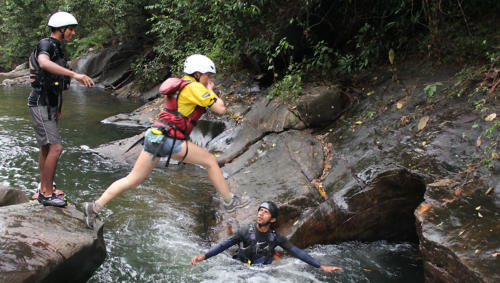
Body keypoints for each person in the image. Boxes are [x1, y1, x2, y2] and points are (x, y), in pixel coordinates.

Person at [82, 54, 249, 228]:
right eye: (208, 75)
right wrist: (211, 90)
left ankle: (94, 207)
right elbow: (221, 109)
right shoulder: (196, 88)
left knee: (133, 179)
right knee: (210, 162)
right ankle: (230, 202)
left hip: (155, 136)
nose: (209, 79)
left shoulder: (180, 83)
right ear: (198, 74)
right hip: (170, 139)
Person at [28, 11, 95, 207]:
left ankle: (44, 188)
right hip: (40, 103)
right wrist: (75, 75)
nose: (73, 33)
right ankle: (46, 195)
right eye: (71, 30)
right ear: (61, 29)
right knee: (56, 148)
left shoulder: (57, 48)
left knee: (46, 147)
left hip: (49, 105)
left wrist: (58, 107)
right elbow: (43, 63)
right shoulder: (46, 44)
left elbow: (55, 82)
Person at [191, 201, 342, 272]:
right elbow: (224, 245)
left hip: (261, 274)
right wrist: (204, 256)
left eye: (265, 212)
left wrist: (321, 266)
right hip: (238, 269)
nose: (260, 214)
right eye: (260, 210)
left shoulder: (276, 238)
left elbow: (297, 252)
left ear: (273, 219)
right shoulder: (245, 230)